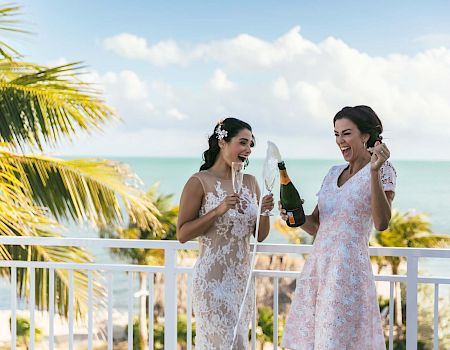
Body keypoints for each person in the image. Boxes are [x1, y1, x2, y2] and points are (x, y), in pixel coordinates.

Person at [281, 105, 396, 350]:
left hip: (348, 273)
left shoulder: (384, 170)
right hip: (319, 269)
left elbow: (382, 222)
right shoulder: (332, 173)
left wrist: (374, 171)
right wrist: (295, 217)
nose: (339, 141)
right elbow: (316, 226)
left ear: (365, 136)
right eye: (336, 134)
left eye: (346, 133)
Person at [177, 117, 274, 349]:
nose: (248, 150)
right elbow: (182, 234)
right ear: (222, 142)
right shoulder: (199, 182)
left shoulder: (251, 183)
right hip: (212, 282)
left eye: (251, 144)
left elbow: (259, 236)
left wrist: (264, 212)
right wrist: (218, 211)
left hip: (242, 283)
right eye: (242, 142)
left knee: (239, 343)